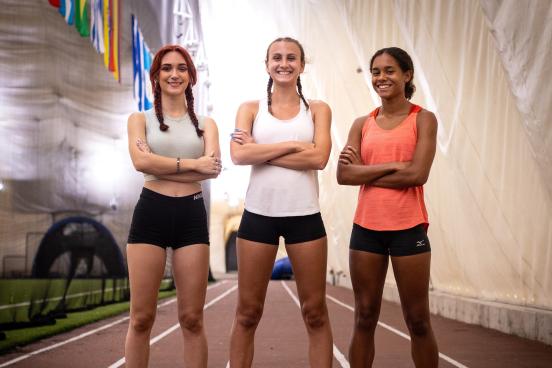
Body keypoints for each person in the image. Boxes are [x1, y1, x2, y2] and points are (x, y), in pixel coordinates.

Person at [229, 37, 333, 367]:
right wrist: (294, 146)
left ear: (302, 65)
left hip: (305, 216)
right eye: (276, 57)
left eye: (291, 58)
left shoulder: (317, 109)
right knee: (247, 313)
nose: (283, 63)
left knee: (315, 313)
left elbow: (319, 158)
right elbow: (238, 154)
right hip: (258, 216)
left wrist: (261, 151)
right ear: (266, 64)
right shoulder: (250, 108)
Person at [337, 46, 439, 367]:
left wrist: (364, 173)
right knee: (365, 316)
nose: (382, 77)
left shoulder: (423, 119)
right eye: (376, 72)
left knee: (418, 319)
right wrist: (396, 166)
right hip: (366, 230)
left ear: (406, 75)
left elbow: (418, 174)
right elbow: (343, 174)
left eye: (390, 70)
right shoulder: (361, 124)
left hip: (409, 228)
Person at [125, 44, 221, 368]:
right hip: (150, 212)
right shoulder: (139, 120)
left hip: (191, 216)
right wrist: (190, 164)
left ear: (191, 76)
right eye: (166, 68)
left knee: (192, 319)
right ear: (156, 76)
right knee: (140, 319)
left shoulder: (207, 125)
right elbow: (141, 161)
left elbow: (213, 168)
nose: (174, 74)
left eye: (181, 68)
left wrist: (160, 162)